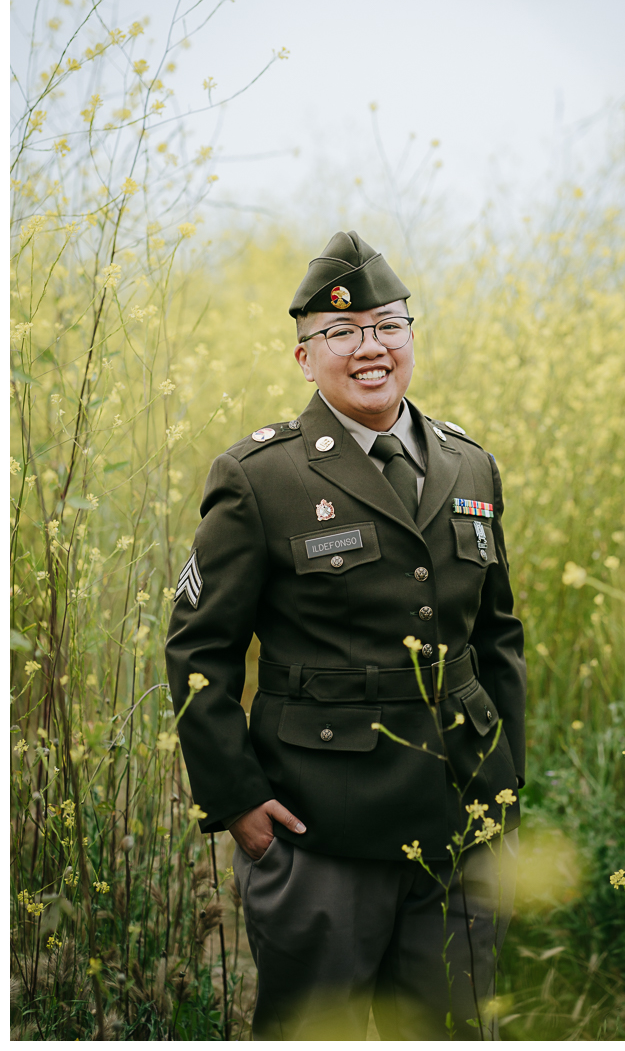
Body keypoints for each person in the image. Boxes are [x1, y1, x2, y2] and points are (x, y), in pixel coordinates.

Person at [165, 230, 526, 1040]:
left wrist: (508, 784)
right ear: (304, 358)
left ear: (409, 335)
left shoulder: (471, 465)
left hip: (463, 820)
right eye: (342, 332)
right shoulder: (262, 478)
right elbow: (198, 652)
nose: (371, 348)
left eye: (388, 325)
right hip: (319, 829)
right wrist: (238, 801)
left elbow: (498, 637)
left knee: (453, 1030)